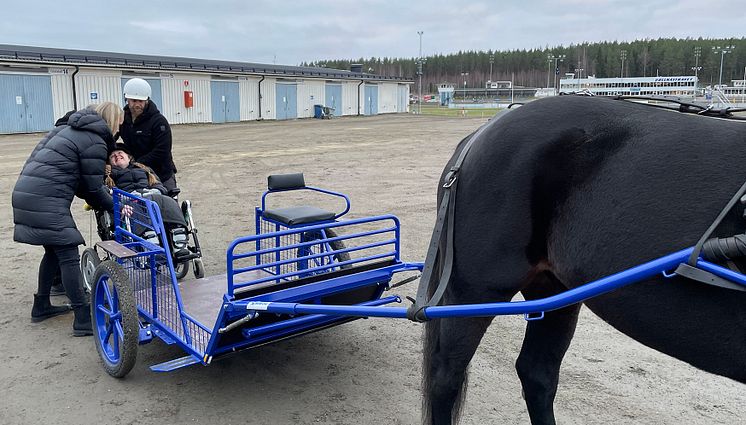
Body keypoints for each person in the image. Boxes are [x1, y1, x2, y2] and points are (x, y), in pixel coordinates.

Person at [12, 102, 122, 337]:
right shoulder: (94, 140)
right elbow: (92, 188)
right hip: (45, 198)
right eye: (119, 123)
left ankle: (41, 305)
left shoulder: (65, 129)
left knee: (53, 250)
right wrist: (117, 207)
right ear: (112, 122)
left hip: (27, 192)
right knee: (68, 252)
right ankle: (83, 318)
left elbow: (78, 178)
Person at [119, 78, 178, 193]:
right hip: (137, 173)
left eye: (141, 101)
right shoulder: (122, 119)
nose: (137, 104)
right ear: (126, 99)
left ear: (147, 100)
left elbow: (162, 150)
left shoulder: (159, 121)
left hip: (161, 173)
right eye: (133, 100)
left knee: (168, 203)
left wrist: (138, 162)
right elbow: (112, 138)